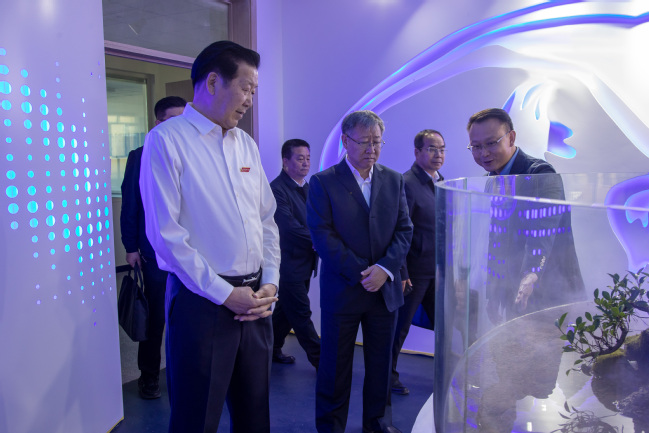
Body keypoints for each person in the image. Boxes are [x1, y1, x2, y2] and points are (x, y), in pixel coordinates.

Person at [139, 41, 280, 433]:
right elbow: (165, 236)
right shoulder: (167, 140)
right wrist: (224, 293)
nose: (250, 100)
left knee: (255, 416)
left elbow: (267, 221)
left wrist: (270, 281)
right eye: (246, 88)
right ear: (214, 82)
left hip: (255, 303)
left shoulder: (245, 144)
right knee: (196, 418)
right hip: (201, 304)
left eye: (254, 91)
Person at [307, 110, 413, 433]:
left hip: (384, 292)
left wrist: (385, 268)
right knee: (335, 368)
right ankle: (330, 427)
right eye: (364, 141)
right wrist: (363, 273)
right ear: (345, 141)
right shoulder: (323, 182)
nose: (371, 148)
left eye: (377, 142)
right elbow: (322, 237)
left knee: (381, 365)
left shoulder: (393, 179)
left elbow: (404, 230)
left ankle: (378, 424)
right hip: (344, 290)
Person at [466, 108, 585, 322]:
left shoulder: (540, 174)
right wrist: (493, 291)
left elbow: (542, 231)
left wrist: (530, 273)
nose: (484, 153)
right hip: (513, 291)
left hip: (548, 291)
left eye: (491, 143)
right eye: (476, 146)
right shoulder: (491, 180)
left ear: (511, 138)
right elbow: (496, 238)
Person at [119, 95, 186, 399]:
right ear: (158, 123)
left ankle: (185, 372)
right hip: (153, 252)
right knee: (156, 316)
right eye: (174, 120)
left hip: (190, 250)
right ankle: (148, 376)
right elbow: (131, 204)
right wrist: (131, 246)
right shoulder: (140, 156)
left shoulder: (193, 152)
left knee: (188, 315)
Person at [390, 129, 445, 396]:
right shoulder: (407, 183)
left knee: (444, 326)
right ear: (417, 152)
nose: (438, 155)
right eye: (432, 149)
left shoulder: (441, 182)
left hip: (438, 271)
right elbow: (399, 230)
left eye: (442, 149)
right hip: (414, 272)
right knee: (399, 328)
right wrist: (402, 271)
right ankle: (387, 377)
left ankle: (448, 373)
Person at [270, 139, 321, 367]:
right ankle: (322, 361)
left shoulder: (308, 188)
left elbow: (319, 221)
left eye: (308, 158)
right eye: (300, 159)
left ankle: (270, 348)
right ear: (285, 161)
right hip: (287, 263)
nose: (306, 163)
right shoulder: (276, 189)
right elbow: (288, 227)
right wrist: (319, 241)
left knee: (285, 310)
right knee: (301, 313)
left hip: (305, 262)